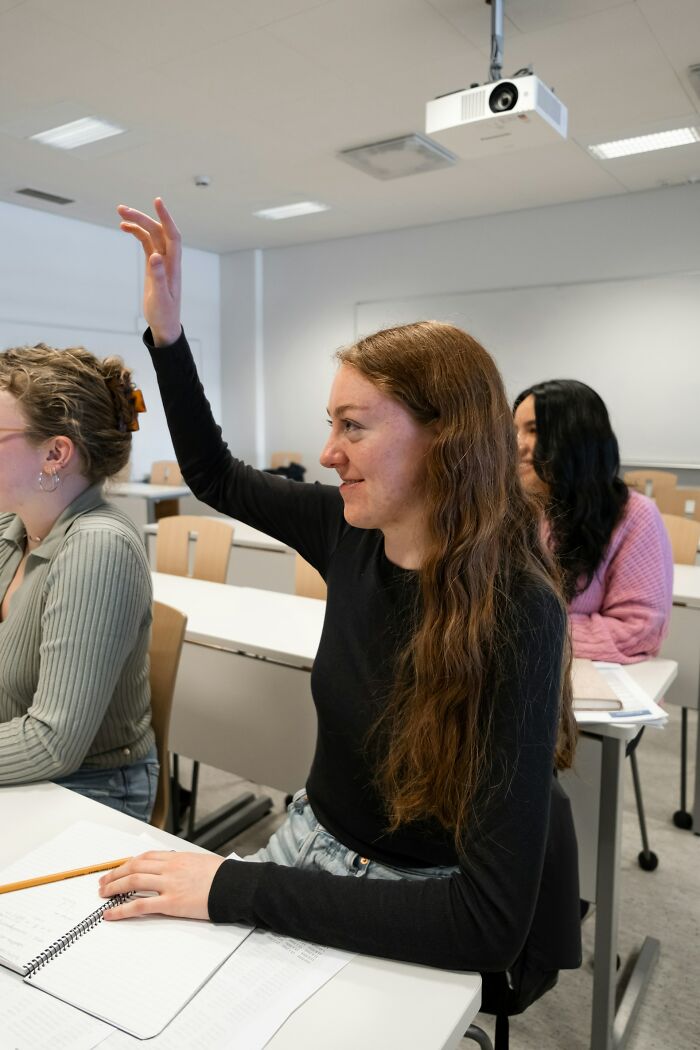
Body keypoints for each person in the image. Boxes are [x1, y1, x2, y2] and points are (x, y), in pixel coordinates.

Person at [100, 199, 580, 984]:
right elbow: (215, 474)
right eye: (331, 424)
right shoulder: (346, 529)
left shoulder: (518, 612)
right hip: (309, 845)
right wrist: (169, 336)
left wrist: (234, 885)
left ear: (445, 441)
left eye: (354, 427)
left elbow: (487, 922)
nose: (327, 453)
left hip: (423, 900)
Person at [0, 343, 156, 820]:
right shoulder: (14, 527)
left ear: (55, 453)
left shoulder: (97, 549)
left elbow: (52, 743)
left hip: (91, 789)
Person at [513, 380, 673, 663]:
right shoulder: (513, 510)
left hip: (598, 682)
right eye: (514, 431)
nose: (517, 446)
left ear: (576, 439)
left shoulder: (634, 516)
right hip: (521, 671)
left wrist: (524, 633)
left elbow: (637, 628)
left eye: (534, 430)